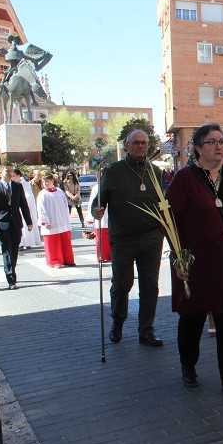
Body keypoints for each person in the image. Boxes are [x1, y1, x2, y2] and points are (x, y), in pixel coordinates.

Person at [166, 123, 223, 396]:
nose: (219, 146)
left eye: (222, 141)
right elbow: (169, 221)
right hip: (196, 263)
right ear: (197, 147)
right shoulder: (185, 179)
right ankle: (188, 365)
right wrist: (179, 258)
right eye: (212, 142)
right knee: (192, 318)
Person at [91, 130, 165, 347]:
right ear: (127, 146)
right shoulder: (114, 171)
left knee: (150, 286)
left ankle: (146, 330)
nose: (141, 146)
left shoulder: (155, 172)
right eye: (136, 143)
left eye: (144, 143)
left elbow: (163, 202)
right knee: (122, 284)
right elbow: (100, 200)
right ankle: (118, 322)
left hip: (152, 238)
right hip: (123, 238)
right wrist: (98, 209)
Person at [0, 31, 52, 109]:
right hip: (11, 70)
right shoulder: (5, 52)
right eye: (13, 40)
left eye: (15, 40)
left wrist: (43, 56)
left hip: (19, 70)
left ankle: (34, 101)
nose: (14, 42)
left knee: (28, 83)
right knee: (2, 82)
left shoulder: (20, 53)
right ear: (11, 42)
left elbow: (34, 60)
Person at [0, 164, 32, 289]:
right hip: (2, 223)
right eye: (7, 171)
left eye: (11, 171)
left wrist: (29, 221)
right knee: (7, 250)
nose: (10, 173)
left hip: (16, 222)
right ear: (1, 172)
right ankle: (11, 279)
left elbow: (23, 205)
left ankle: (11, 272)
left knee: (14, 250)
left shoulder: (17, 186)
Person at [36, 174, 75, 268]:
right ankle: (55, 261)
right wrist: (45, 221)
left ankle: (68, 260)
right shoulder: (42, 194)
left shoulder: (59, 192)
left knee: (65, 241)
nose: (45, 183)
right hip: (51, 221)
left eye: (47, 181)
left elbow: (65, 205)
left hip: (62, 220)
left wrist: (66, 217)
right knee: (53, 243)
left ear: (52, 181)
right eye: (44, 182)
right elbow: (41, 208)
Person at [13, 168, 42, 249]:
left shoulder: (25, 184)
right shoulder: (12, 183)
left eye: (14, 176)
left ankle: (27, 242)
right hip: (16, 208)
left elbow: (29, 196)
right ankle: (20, 243)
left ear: (18, 176)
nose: (13, 178)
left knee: (25, 225)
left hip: (24, 207)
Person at [84, 183, 110, 262]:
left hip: (112, 215)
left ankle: (111, 255)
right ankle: (102, 256)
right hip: (102, 216)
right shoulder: (97, 187)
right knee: (102, 238)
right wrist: (90, 218)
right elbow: (93, 202)